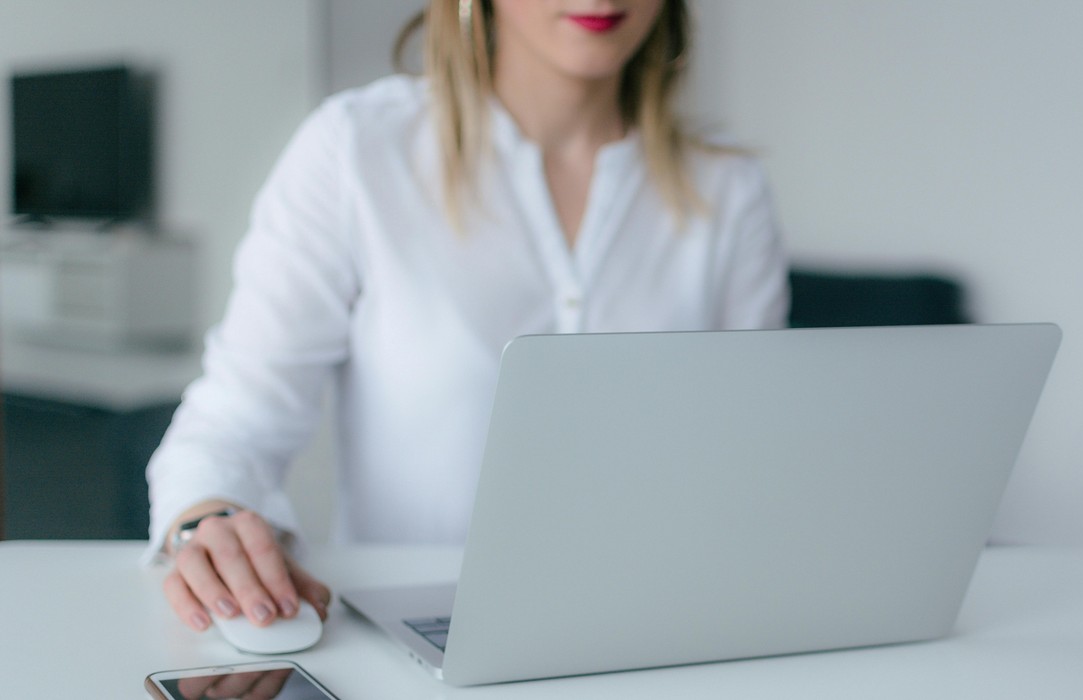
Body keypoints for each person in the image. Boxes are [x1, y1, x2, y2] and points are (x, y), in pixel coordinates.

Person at [146, 0, 789, 635]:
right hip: (416, 638)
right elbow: (234, 422)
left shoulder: (729, 188)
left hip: (663, 629)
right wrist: (207, 520)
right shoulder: (357, 151)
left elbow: (756, 456)